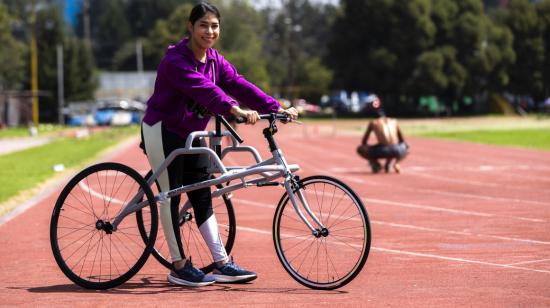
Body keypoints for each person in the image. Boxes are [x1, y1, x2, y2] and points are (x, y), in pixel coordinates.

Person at [140, 2, 298, 287]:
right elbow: (206, 90)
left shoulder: (215, 60)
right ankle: (178, 266)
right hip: (163, 131)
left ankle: (221, 263)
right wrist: (234, 110)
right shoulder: (176, 61)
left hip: (193, 138)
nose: (209, 31)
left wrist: (277, 108)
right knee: (169, 195)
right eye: (203, 25)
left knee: (202, 193)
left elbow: (238, 83)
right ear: (190, 27)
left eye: (214, 25)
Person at [357, 95, 409, 173]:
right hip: (397, 150)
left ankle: (376, 164)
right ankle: (396, 163)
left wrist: (372, 152)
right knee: (406, 146)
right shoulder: (394, 121)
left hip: (381, 150)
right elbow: (402, 140)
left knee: (360, 148)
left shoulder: (373, 123)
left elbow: (364, 141)